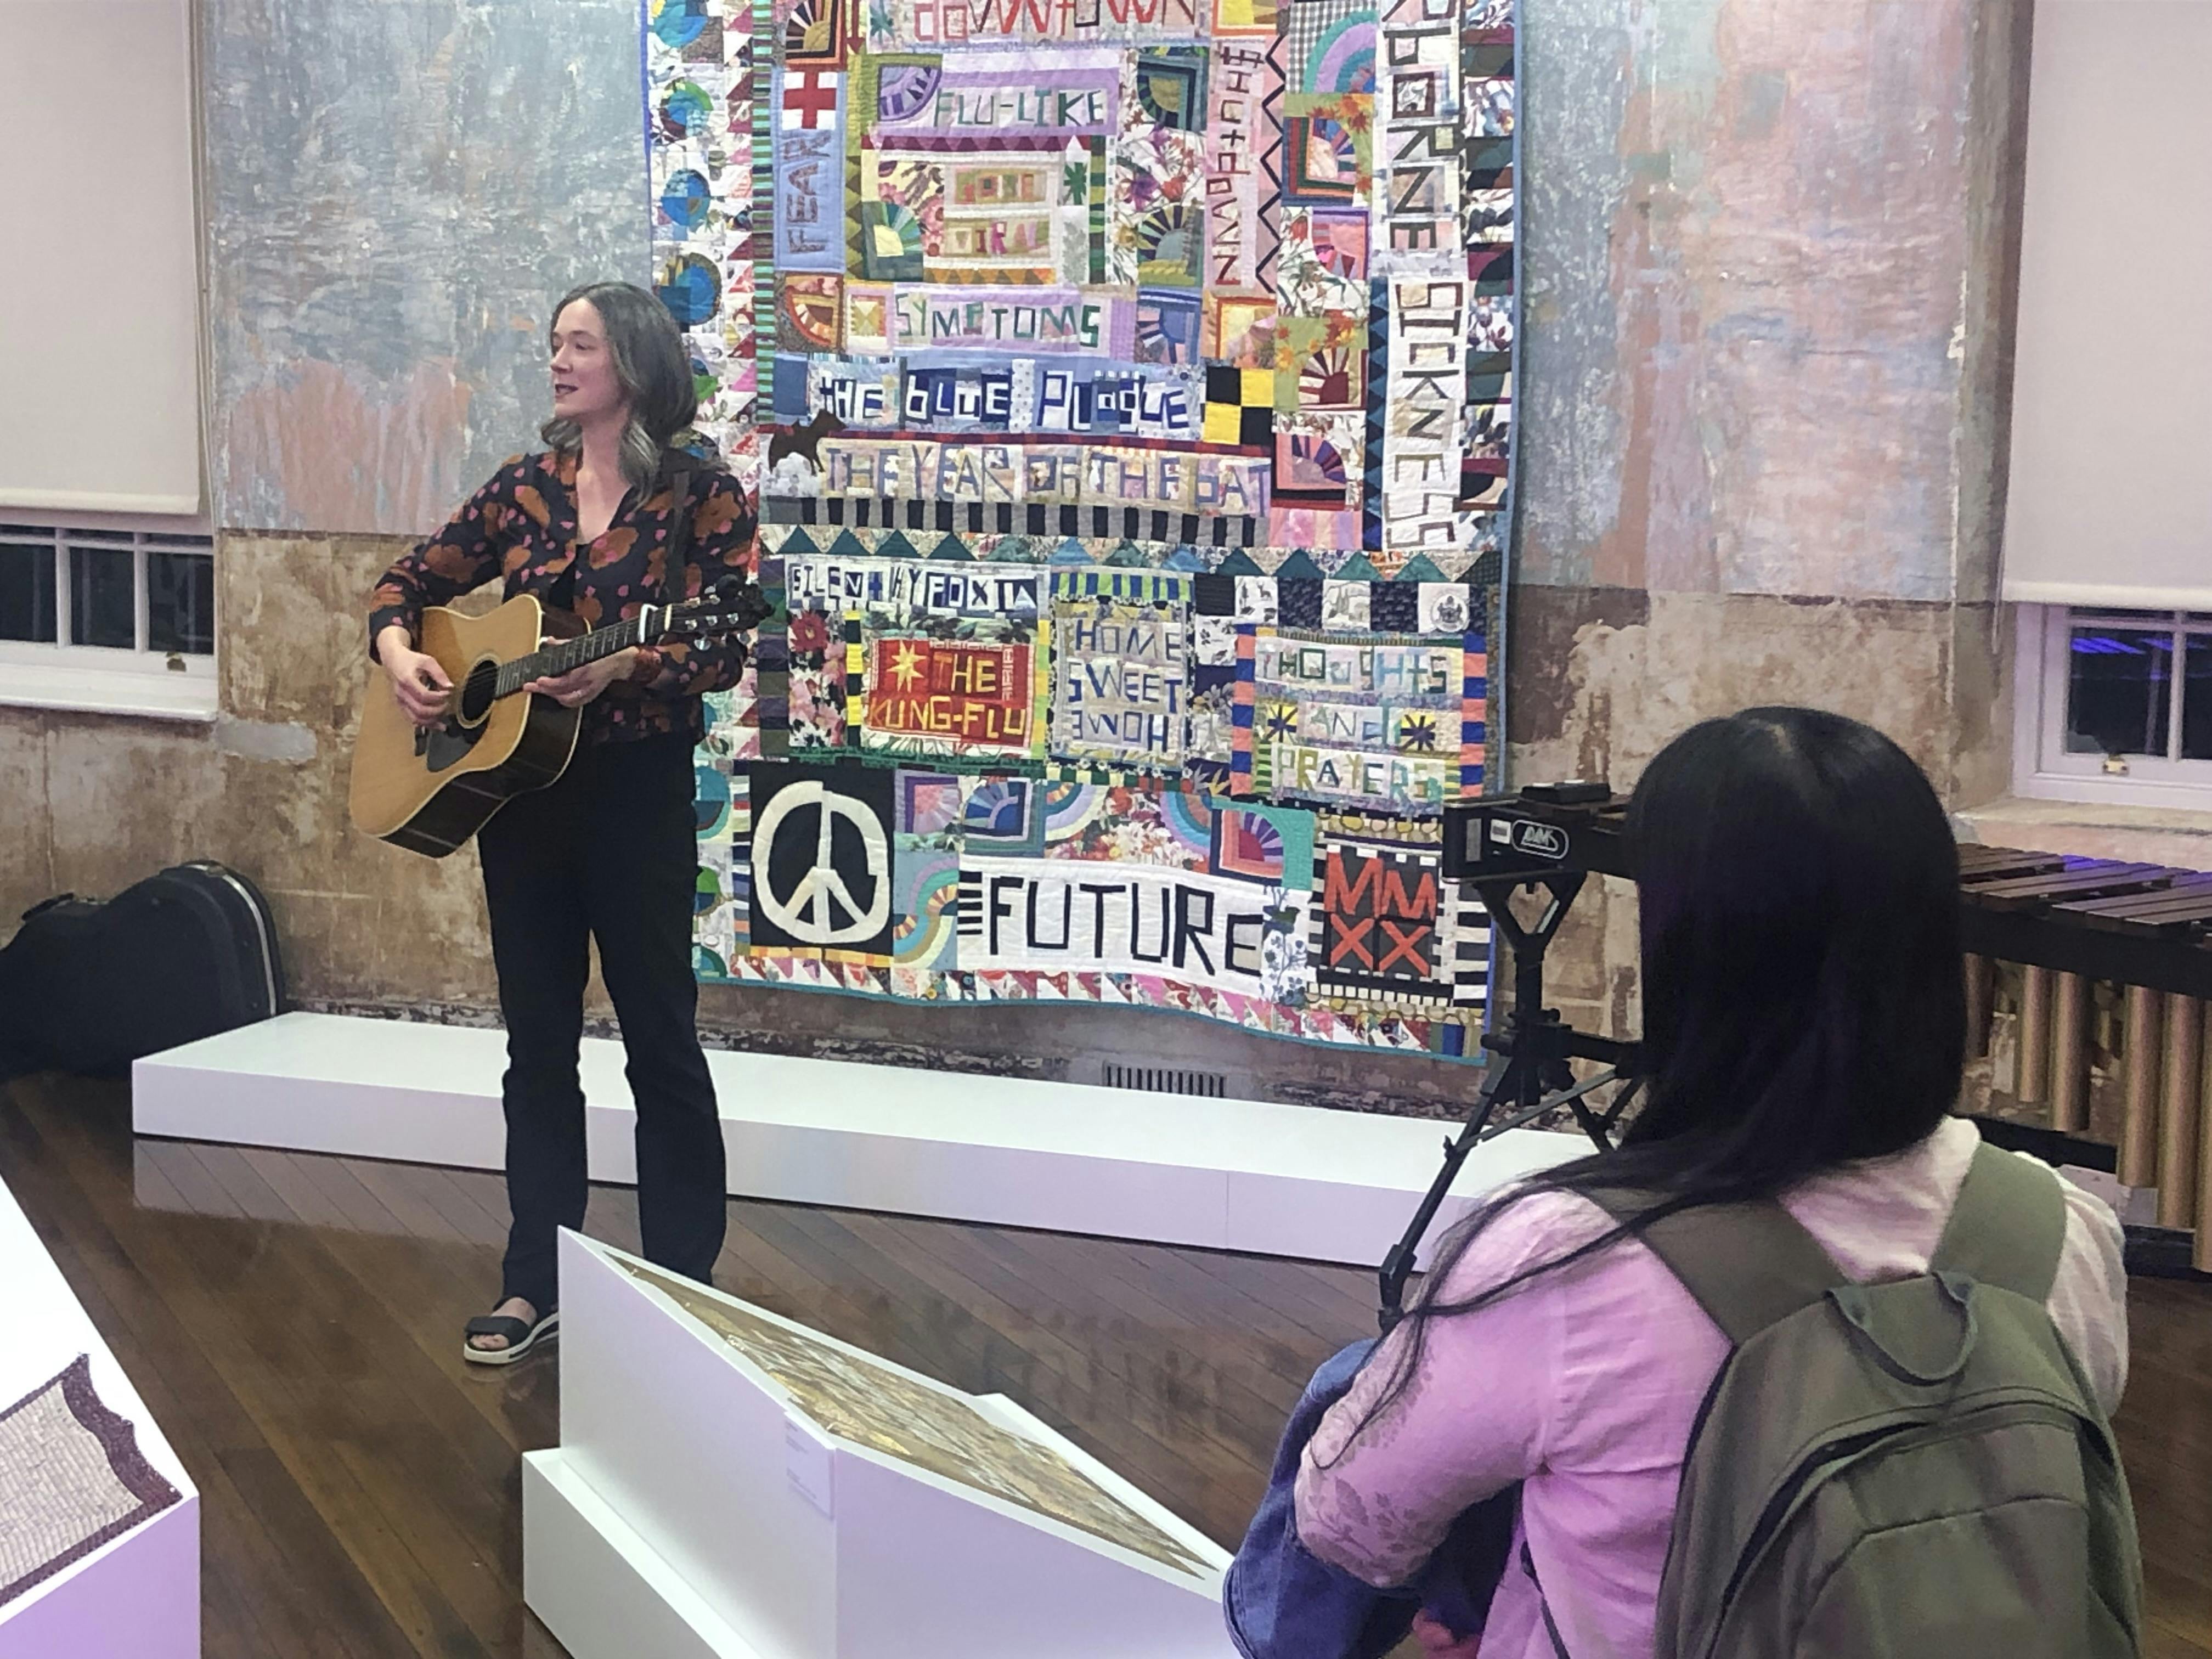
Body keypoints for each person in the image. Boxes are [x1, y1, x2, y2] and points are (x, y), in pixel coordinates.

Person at [1291, 707, 2131, 1658]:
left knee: (1358, 1391)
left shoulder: (1556, 1262)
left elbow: (1345, 1525)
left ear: (1690, 957)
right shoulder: (2067, 1231)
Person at [367, 280, 756, 1363]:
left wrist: (630, 659)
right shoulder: (523, 489)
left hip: (637, 795)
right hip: (524, 804)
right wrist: (403, 656)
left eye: (578, 343)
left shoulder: (697, 494)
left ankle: (688, 1290)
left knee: (658, 1043)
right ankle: (533, 1280)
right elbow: (408, 582)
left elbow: (724, 642)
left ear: (631, 362)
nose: (558, 359)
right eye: (554, 343)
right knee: (537, 1049)